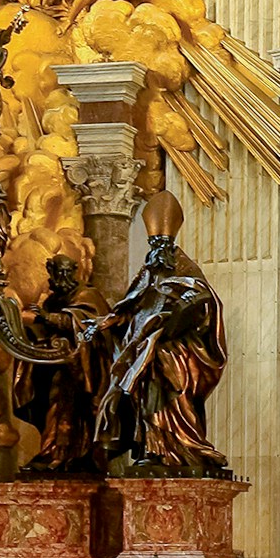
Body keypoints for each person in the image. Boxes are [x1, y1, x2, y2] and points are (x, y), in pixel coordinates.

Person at [92, 192, 228, 471]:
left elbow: (205, 305)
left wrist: (170, 319)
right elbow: (127, 309)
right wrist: (105, 324)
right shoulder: (147, 275)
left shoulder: (187, 271)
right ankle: (150, 449)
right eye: (154, 243)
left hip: (176, 353)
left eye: (163, 243)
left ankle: (180, 447)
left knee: (169, 393)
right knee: (142, 395)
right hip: (146, 352)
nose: (158, 249)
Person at [12, 254, 109, 472]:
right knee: (53, 406)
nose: (63, 277)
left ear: (74, 271)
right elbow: (47, 328)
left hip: (82, 369)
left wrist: (46, 318)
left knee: (70, 410)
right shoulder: (52, 300)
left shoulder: (87, 294)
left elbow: (85, 323)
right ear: (51, 273)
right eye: (58, 272)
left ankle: (71, 454)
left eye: (67, 272)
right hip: (58, 365)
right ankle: (53, 452)